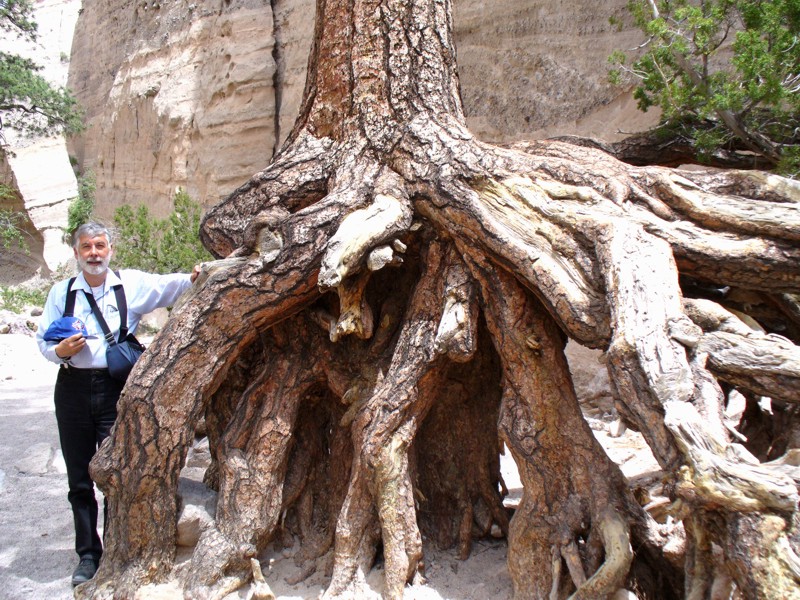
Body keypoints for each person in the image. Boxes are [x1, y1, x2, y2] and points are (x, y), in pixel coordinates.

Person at [36, 221, 201, 586]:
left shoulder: (130, 284)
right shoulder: (62, 292)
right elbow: (43, 340)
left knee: (116, 472)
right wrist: (59, 352)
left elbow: (169, 285)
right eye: (86, 248)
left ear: (110, 250)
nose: (94, 254)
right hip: (73, 390)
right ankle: (87, 555)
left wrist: (196, 274)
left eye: (99, 246)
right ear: (77, 253)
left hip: (114, 390)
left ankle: (114, 547)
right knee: (79, 478)